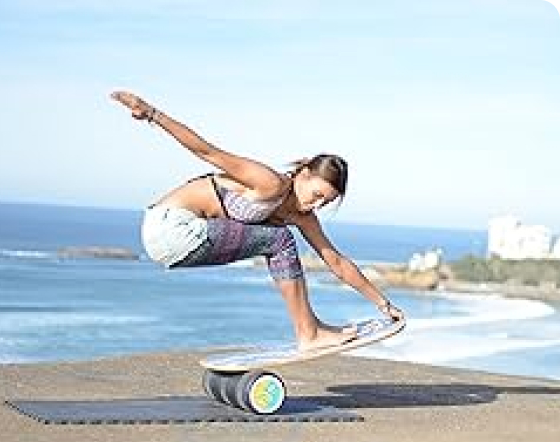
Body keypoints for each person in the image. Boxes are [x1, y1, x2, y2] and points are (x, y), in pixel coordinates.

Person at [111, 91, 405, 352]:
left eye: (324, 202)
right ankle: (309, 333)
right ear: (302, 173)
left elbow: (337, 263)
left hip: (181, 239)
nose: (315, 204)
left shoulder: (302, 216)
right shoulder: (270, 183)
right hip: (170, 228)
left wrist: (383, 304)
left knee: (278, 240)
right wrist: (151, 113)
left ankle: (312, 329)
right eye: (316, 194)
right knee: (279, 240)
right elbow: (206, 150)